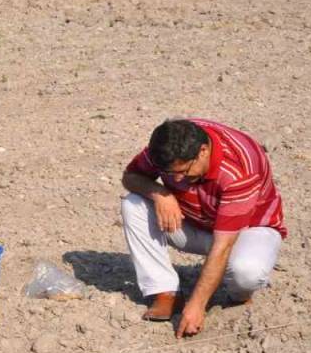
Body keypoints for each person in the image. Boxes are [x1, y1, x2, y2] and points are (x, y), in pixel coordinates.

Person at [120, 119, 286, 338]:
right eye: (170, 173)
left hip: (246, 231)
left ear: (203, 151)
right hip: (192, 222)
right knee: (133, 204)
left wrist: (197, 305)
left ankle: (238, 294)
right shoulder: (167, 147)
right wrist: (160, 193)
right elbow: (130, 177)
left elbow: (224, 244)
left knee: (247, 272)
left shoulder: (239, 170)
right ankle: (165, 291)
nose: (177, 179)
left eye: (184, 172)